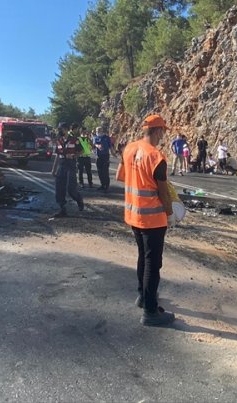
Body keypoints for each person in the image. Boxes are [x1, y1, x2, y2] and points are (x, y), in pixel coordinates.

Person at [116, 114, 176, 327]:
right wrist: (171, 214)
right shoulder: (156, 157)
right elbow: (163, 193)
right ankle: (150, 312)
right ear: (158, 131)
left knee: (143, 256)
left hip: (134, 215)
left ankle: (143, 296)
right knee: (153, 263)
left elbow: (120, 176)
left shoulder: (129, 149)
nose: (163, 136)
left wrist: (139, 178)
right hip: (152, 219)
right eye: (163, 132)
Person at [50, 122, 84, 217]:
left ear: (65, 129)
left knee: (71, 188)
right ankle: (62, 209)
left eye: (60, 129)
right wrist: (53, 169)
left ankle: (79, 199)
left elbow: (83, 150)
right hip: (62, 164)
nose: (59, 131)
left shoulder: (74, 140)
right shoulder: (59, 141)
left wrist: (74, 156)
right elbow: (57, 155)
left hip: (70, 165)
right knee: (59, 188)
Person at [93, 126, 112, 192]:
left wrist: (113, 154)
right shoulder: (95, 137)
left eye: (99, 130)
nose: (97, 132)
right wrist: (97, 145)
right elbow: (94, 144)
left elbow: (110, 147)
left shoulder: (106, 138)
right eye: (96, 131)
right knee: (100, 172)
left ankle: (107, 186)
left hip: (105, 156)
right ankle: (102, 185)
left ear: (102, 131)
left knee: (105, 171)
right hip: (98, 156)